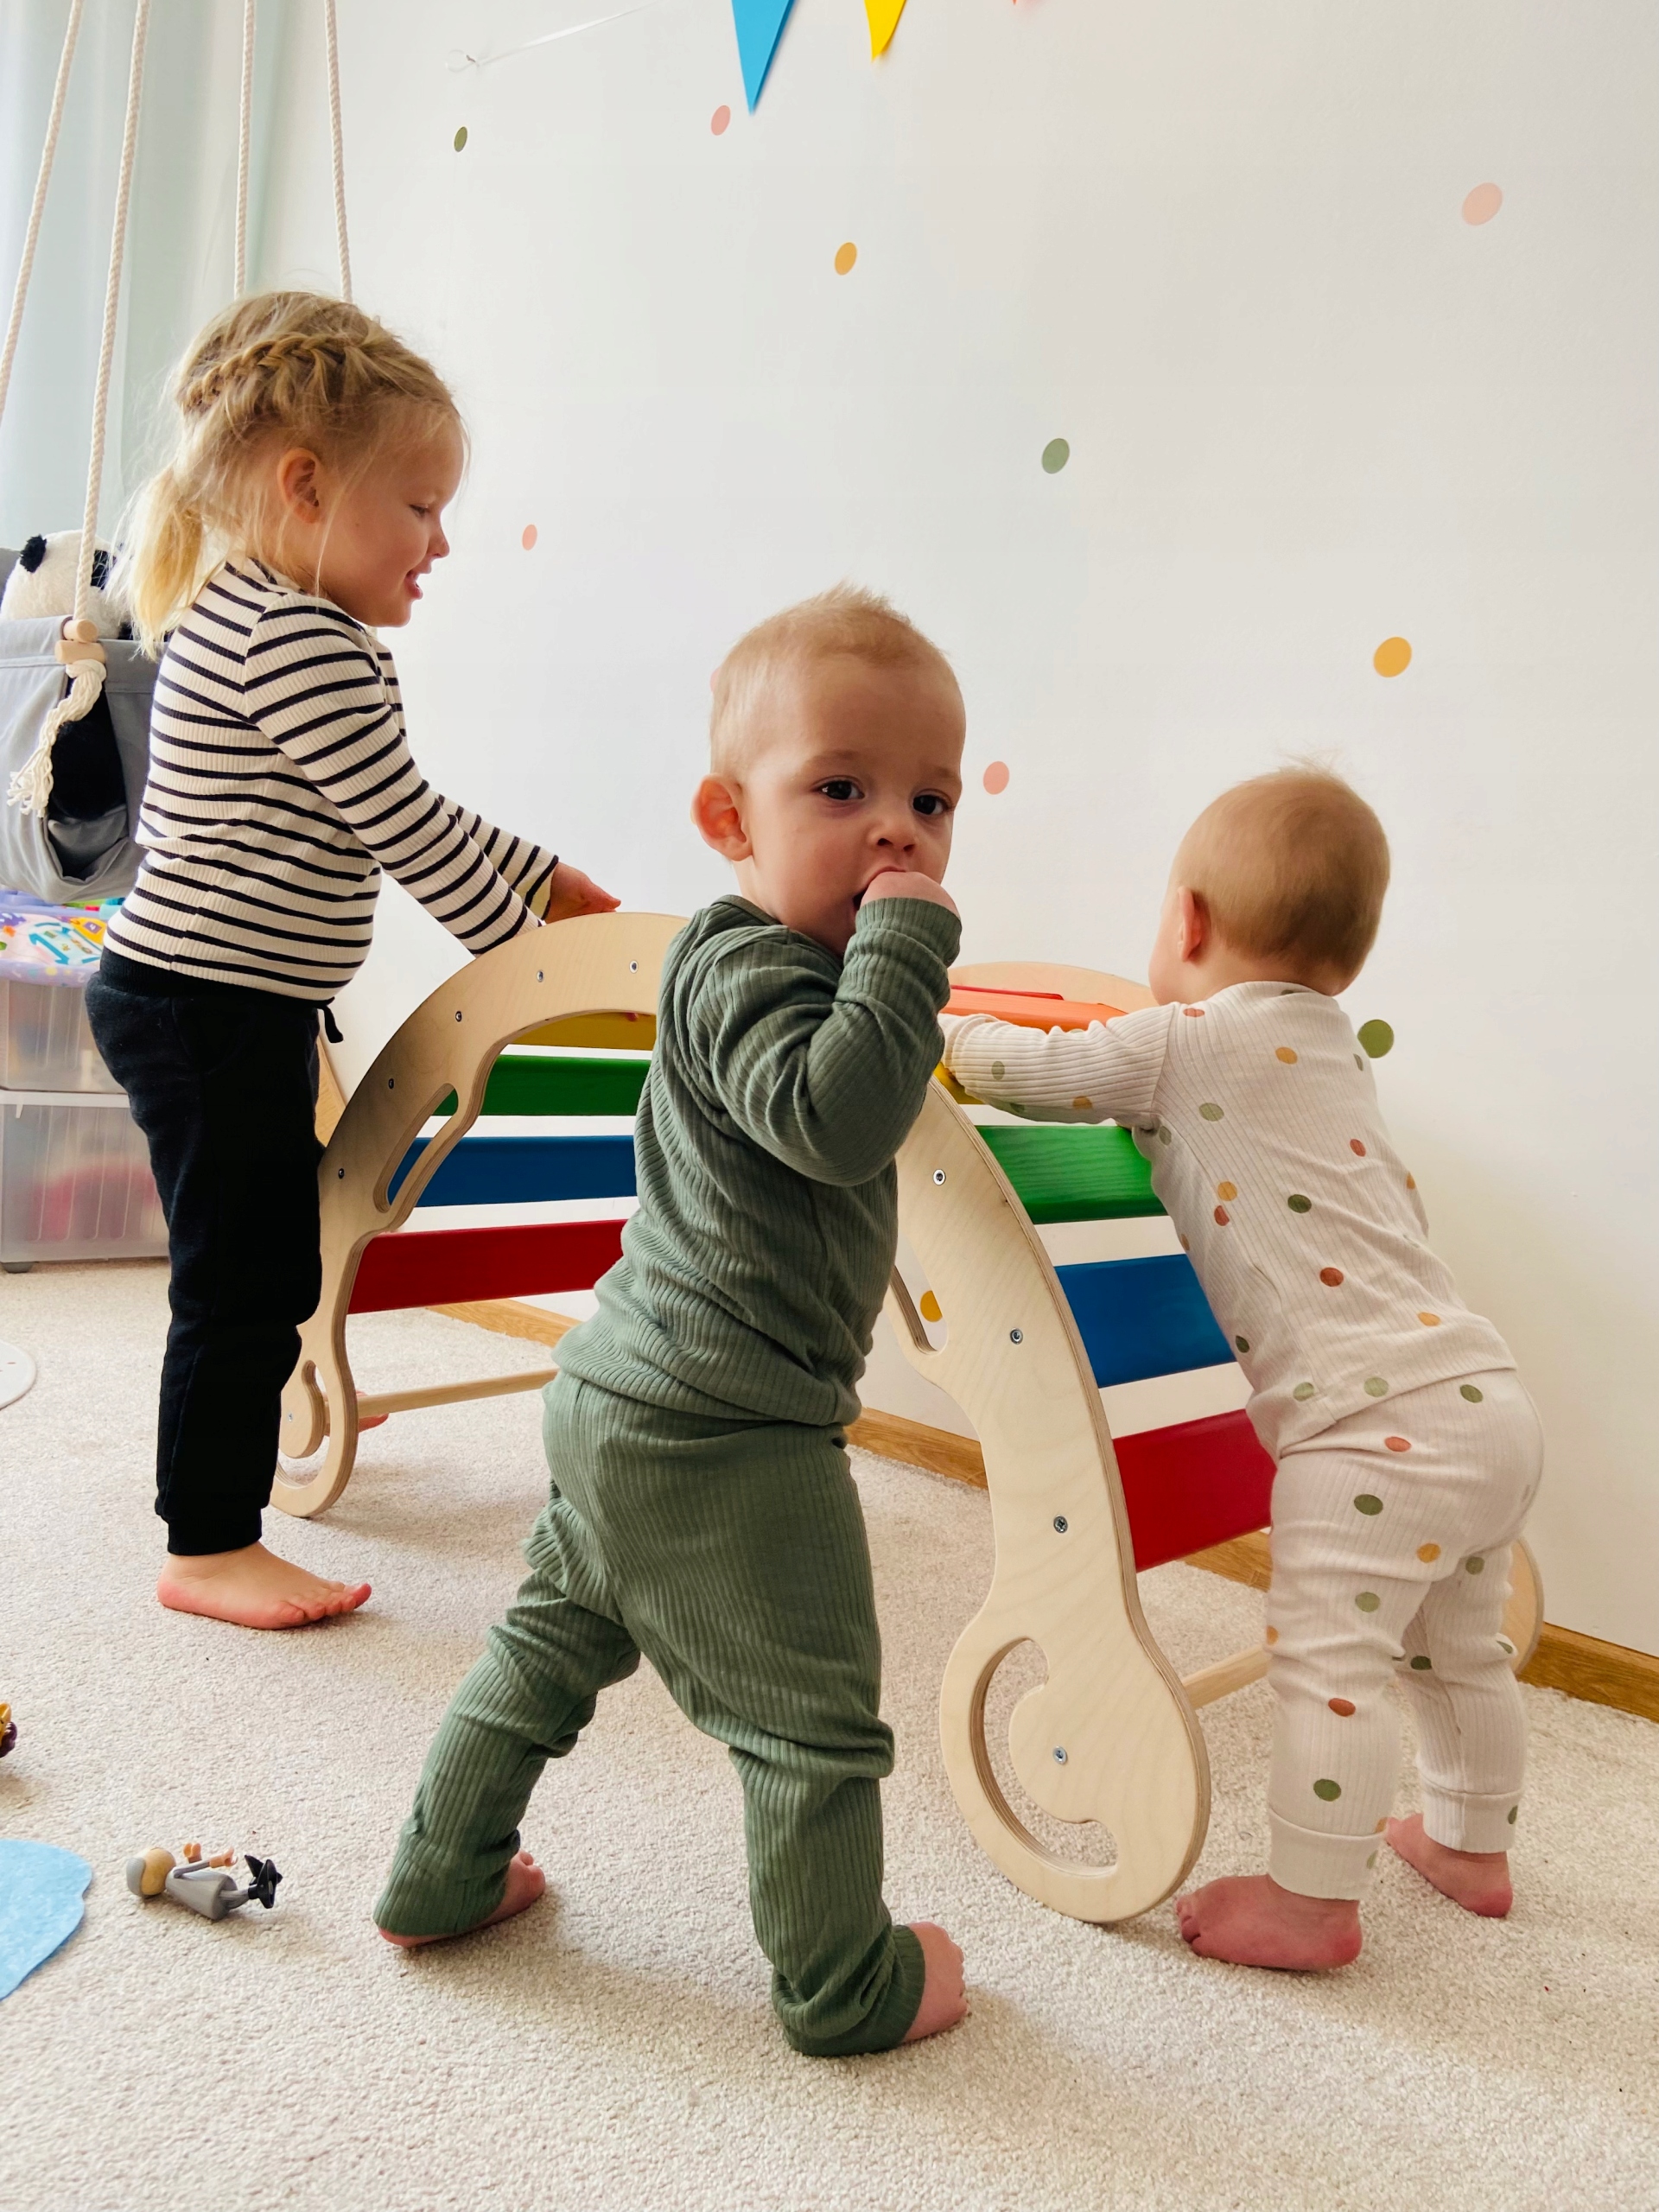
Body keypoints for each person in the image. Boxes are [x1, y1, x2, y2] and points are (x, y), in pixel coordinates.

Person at [375, 585, 969, 2056]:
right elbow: (835, 1123)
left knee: (547, 1651)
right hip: (729, 1435)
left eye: (931, 801)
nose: (895, 832)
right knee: (814, 1724)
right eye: (842, 789)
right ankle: (845, 1986)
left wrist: (886, 976)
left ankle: (441, 1875)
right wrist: (908, 950)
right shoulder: (748, 963)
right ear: (730, 819)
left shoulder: (804, 976)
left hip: (624, 1401)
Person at [941, 766, 1541, 1969]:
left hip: (1372, 1432)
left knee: (1332, 1666)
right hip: (1487, 1404)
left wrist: (936, 1024)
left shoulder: (1186, 1041)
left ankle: (1314, 1901)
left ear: (1189, 922)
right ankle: (1473, 1844)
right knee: (1456, 1649)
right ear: (1348, 965)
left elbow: (1021, 1074)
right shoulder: (1331, 1053)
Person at [86, 291, 616, 1632]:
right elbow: (409, 830)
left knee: (267, 1256)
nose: (442, 541)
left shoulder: (271, 618)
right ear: (306, 487)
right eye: (421, 507)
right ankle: (206, 1544)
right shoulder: (294, 639)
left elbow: (411, 808)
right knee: (244, 1273)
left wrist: (556, 885)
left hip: (222, 1001)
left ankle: (223, 1509)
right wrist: (539, 955)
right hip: (206, 1006)